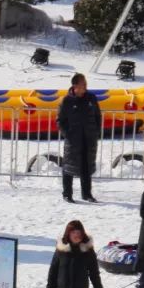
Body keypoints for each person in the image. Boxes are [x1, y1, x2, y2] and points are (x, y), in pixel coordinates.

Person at [57, 73, 101, 203]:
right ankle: (67, 194)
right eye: (83, 84)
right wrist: (67, 134)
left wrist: (96, 131)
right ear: (75, 86)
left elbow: (98, 116)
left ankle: (87, 194)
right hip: (73, 140)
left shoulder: (91, 98)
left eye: (86, 83)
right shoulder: (66, 101)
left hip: (89, 139)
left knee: (86, 166)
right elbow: (60, 120)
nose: (85, 86)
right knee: (69, 167)